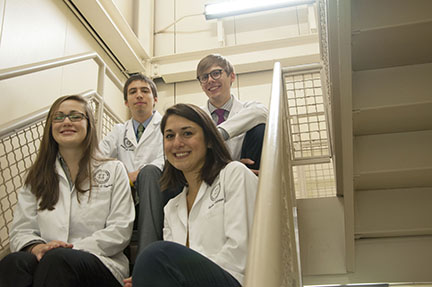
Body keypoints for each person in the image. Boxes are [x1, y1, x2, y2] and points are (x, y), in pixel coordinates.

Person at [0, 95, 135, 287]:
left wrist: (70, 249)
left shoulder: (114, 169)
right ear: (50, 126)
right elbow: (22, 229)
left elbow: (120, 229)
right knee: (14, 262)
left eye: (75, 116)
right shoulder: (37, 175)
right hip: (48, 259)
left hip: (101, 262)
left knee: (58, 260)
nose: (66, 122)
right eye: (58, 117)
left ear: (89, 123)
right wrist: (38, 247)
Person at [130, 103, 258, 287]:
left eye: (187, 133)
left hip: (234, 279)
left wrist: (173, 275)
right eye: (169, 136)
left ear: (209, 140)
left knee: (154, 254)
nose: (177, 143)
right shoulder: (172, 207)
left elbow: (241, 253)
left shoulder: (234, 174)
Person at [99, 74, 176, 256]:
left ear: (155, 99)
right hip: (127, 196)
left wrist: (138, 174)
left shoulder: (168, 125)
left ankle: (146, 258)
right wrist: (121, 174)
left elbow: (169, 156)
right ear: (126, 102)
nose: (139, 95)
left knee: (149, 172)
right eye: (133, 92)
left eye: (145, 91)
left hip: (162, 191)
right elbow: (97, 157)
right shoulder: (119, 131)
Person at [196, 54, 268, 172]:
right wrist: (231, 169)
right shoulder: (196, 117)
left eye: (216, 73)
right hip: (209, 180)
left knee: (260, 128)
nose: (210, 80)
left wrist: (219, 134)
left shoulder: (249, 108)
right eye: (204, 77)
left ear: (232, 76)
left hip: (247, 175)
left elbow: (262, 112)